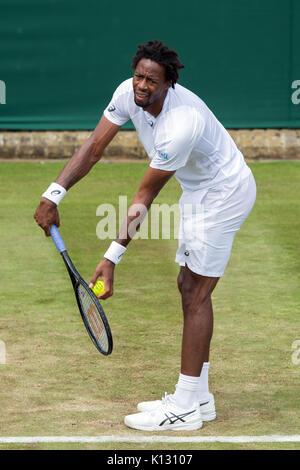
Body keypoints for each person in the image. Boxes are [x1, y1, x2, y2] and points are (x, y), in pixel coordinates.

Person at [34, 40, 256, 432]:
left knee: (198, 291)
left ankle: (185, 406)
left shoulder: (180, 125)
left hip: (223, 192)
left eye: (152, 80)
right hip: (199, 190)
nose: (141, 85)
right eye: (138, 76)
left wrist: (111, 258)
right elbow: (94, 146)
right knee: (189, 285)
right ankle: (199, 396)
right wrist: (54, 193)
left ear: (169, 83)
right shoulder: (127, 92)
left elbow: (145, 196)